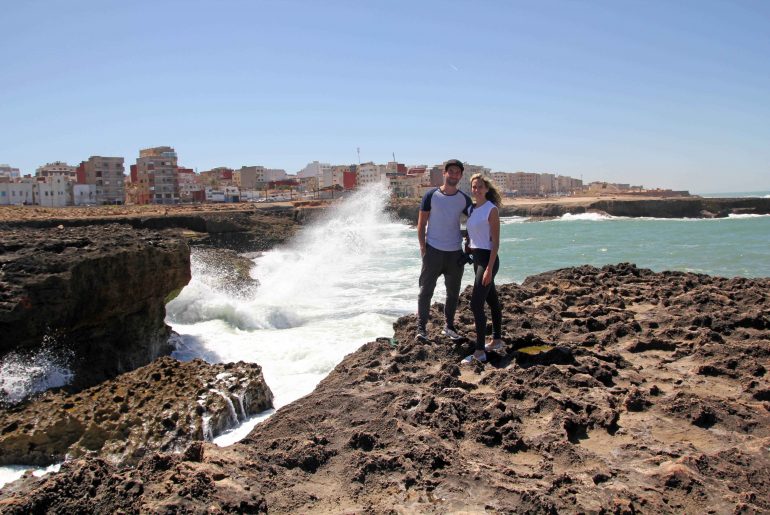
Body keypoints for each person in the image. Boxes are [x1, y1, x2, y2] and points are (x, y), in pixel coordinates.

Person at [416, 159, 473, 342]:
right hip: (433, 251)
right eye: (451, 172)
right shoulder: (431, 195)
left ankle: (449, 326)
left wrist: (469, 241)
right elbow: (421, 223)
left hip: (454, 254)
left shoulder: (464, 199)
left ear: (460, 176)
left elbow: (476, 220)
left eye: (458, 172)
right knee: (426, 291)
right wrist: (423, 248)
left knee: (453, 293)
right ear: (445, 173)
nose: (454, 175)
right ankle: (421, 328)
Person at [461, 173, 504, 364]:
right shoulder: (472, 209)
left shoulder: (491, 209)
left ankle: (479, 352)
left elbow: (495, 243)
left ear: (486, 189)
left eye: (479, 186)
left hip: (488, 260)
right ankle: (496, 339)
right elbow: (475, 233)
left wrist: (489, 268)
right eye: (474, 187)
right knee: (492, 300)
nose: (476, 190)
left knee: (476, 304)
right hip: (477, 258)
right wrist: (468, 243)